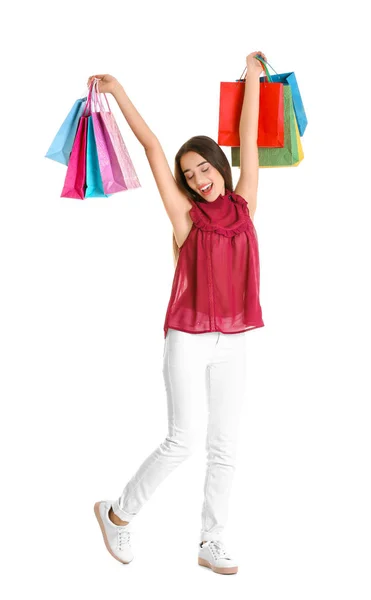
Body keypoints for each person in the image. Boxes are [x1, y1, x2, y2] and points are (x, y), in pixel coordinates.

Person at [91, 50, 267, 575]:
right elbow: (151, 146)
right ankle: (118, 514)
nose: (198, 178)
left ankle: (211, 541)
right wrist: (119, 92)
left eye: (205, 168)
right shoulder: (184, 216)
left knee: (225, 446)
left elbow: (250, 137)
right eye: (189, 174)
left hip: (234, 338)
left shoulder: (244, 204)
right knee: (183, 438)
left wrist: (254, 78)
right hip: (187, 336)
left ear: (218, 165)